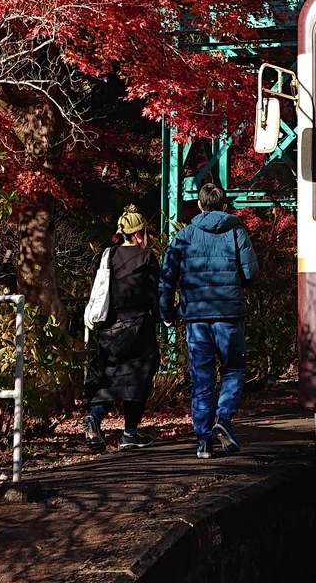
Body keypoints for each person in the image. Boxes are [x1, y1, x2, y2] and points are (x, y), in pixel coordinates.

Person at [159, 182, 259, 459]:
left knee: (202, 379)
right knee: (234, 368)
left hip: (196, 318)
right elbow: (250, 274)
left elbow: (166, 278)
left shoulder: (184, 236)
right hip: (229, 316)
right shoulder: (237, 232)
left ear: (200, 205)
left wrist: (167, 313)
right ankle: (222, 420)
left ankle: (204, 441)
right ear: (225, 206)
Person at [82, 205, 160, 451]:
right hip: (138, 326)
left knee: (108, 376)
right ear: (138, 234)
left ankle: (94, 417)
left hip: (109, 328)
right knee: (137, 379)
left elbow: (98, 289)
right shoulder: (146, 257)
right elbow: (154, 293)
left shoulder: (106, 256)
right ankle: (129, 433)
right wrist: (162, 316)